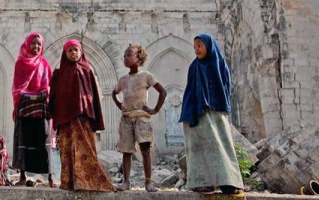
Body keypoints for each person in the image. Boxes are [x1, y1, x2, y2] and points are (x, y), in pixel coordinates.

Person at [179, 33, 245, 197]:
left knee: (220, 145)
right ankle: (202, 183)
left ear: (209, 46)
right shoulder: (194, 66)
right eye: (194, 47)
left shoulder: (219, 63)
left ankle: (228, 182)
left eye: (199, 45)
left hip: (216, 112)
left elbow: (226, 86)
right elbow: (191, 91)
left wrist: (219, 105)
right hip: (197, 113)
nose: (196, 49)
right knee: (199, 147)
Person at [49, 39, 115, 192]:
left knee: (86, 150)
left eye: (76, 50)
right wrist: (53, 113)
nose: (73, 53)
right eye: (70, 50)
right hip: (66, 120)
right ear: (65, 54)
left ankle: (88, 182)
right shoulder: (59, 73)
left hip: (83, 118)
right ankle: (69, 182)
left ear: (81, 52)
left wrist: (94, 117)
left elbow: (93, 97)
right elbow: (54, 95)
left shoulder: (87, 71)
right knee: (67, 150)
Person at [112, 44, 167, 192]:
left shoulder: (146, 76)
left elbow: (163, 92)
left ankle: (148, 182)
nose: (125, 57)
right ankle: (126, 182)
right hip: (127, 118)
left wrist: (154, 110)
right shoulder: (123, 80)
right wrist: (119, 104)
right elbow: (113, 93)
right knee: (126, 151)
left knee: (145, 150)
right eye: (124, 55)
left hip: (142, 118)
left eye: (129, 55)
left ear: (139, 58)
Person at [11, 32, 57, 188]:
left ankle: (51, 178)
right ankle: (22, 177)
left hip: (41, 109)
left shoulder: (44, 64)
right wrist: (26, 95)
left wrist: (44, 92)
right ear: (27, 45)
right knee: (23, 141)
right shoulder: (20, 63)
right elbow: (17, 87)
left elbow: (48, 84)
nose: (36, 46)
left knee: (44, 142)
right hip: (25, 108)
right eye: (33, 43)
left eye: (39, 44)